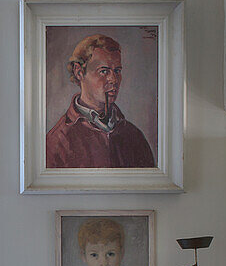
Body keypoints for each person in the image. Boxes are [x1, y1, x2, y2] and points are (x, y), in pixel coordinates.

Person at [46, 34, 155, 169]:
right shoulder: (58, 141)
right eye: (104, 71)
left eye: (117, 71)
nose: (114, 79)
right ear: (79, 72)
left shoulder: (134, 136)